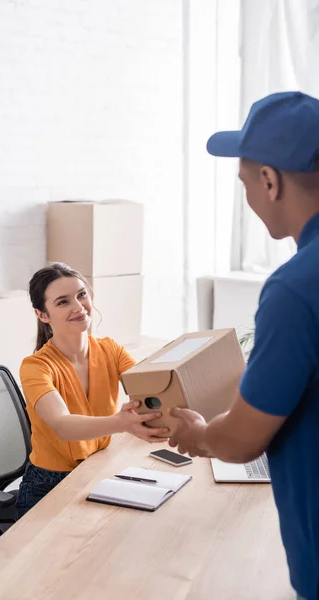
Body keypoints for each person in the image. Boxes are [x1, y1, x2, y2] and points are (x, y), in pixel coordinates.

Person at [168, 92, 319, 600]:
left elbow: (240, 441)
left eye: (245, 183)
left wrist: (201, 435)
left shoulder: (296, 289)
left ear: (270, 181)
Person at [16, 262, 168, 517]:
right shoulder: (35, 366)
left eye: (81, 294)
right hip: (49, 484)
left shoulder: (111, 350)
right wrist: (122, 422)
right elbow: (63, 425)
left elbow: (151, 387)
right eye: (63, 302)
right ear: (42, 315)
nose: (78, 306)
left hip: (99, 469)